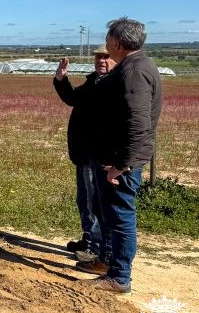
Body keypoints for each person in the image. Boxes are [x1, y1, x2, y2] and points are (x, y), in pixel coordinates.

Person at [79, 17, 163, 294]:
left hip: (119, 163)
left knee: (120, 217)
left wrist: (120, 165)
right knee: (109, 214)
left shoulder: (134, 72)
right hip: (113, 157)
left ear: (116, 42)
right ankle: (107, 261)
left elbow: (138, 124)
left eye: (107, 39)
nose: (106, 44)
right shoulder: (136, 65)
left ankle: (119, 276)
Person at [53, 45, 117, 263]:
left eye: (107, 57)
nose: (102, 61)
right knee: (85, 199)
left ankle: (94, 245)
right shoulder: (93, 82)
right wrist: (61, 79)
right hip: (85, 152)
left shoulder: (116, 84)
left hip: (100, 154)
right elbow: (72, 98)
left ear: (116, 59)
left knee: (95, 200)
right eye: (99, 57)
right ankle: (88, 238)